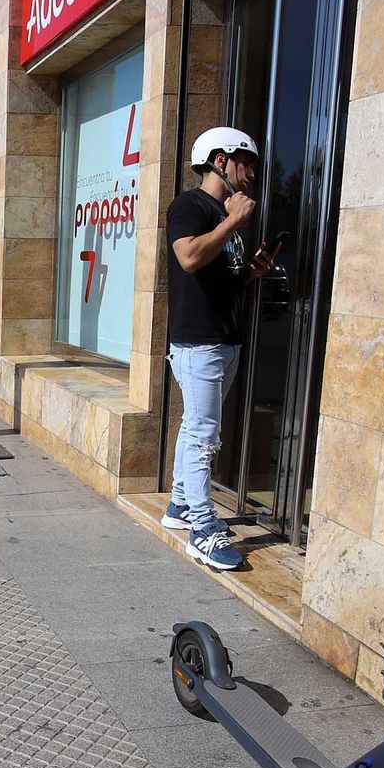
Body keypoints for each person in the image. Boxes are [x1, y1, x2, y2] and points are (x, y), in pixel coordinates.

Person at [161, 127, 274, 570]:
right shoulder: (190, 205)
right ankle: (202, 529)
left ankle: (179, 506)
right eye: (248, 162)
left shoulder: (221, 212)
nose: (252, 174)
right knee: (204, 434)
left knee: (195, 426)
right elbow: (188, 257)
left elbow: (216, 277)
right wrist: (232, 222)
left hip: (222, 338)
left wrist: (250, 273)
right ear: (221, 160)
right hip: (199, 342)